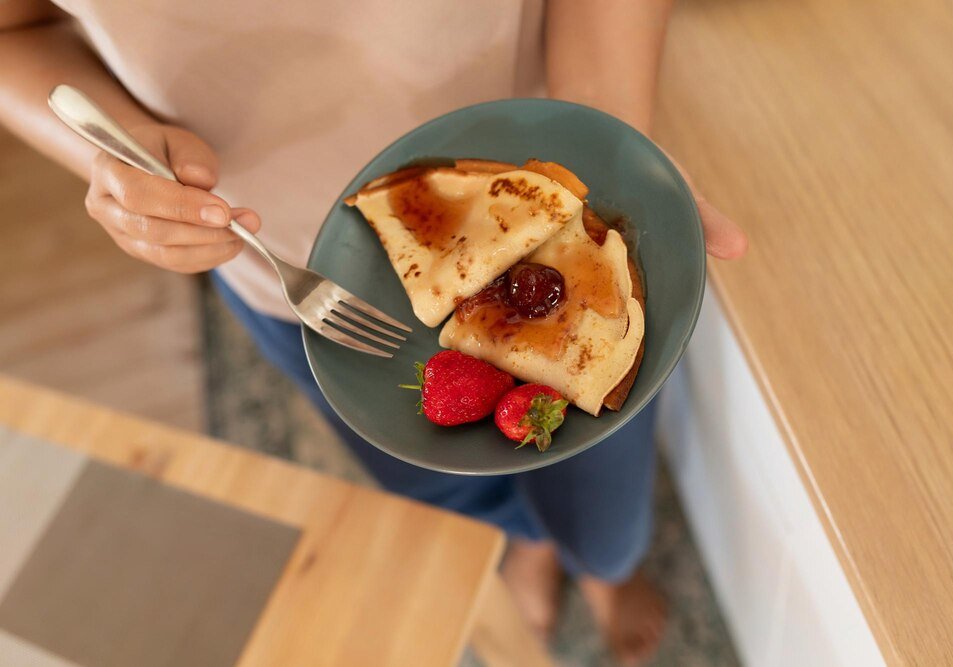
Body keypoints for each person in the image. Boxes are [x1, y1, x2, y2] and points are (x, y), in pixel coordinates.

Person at [0, 0, 746, 662]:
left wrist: (605, 135)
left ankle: (605, 569)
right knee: (435, 478)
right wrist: (112, 150)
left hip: (532, 163)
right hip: (285, 278)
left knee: (603, 498)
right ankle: (531, 543)